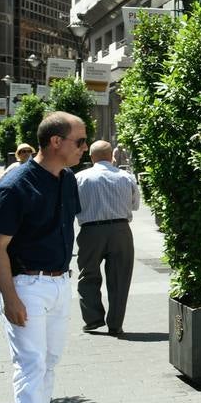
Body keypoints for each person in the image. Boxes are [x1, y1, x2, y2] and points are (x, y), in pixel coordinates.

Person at [0, 112, 86, 403]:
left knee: (48, 362)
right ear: (56, 142)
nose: (84, 147)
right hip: (26, 285)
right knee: (30, 366)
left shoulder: (68, 179)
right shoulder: (16, 185)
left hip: (59, 284)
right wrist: (10, 297)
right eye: (79, 140)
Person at [74, 140, 139, 336]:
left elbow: (72, 206)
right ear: (112, 156)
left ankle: (93, 318)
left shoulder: (79, 178)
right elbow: (135, 205)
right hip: (121, 230)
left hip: (90, 230)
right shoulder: (126, 177)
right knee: (120, 278)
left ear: (91, 157)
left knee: (87, 274)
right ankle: (115, 324)